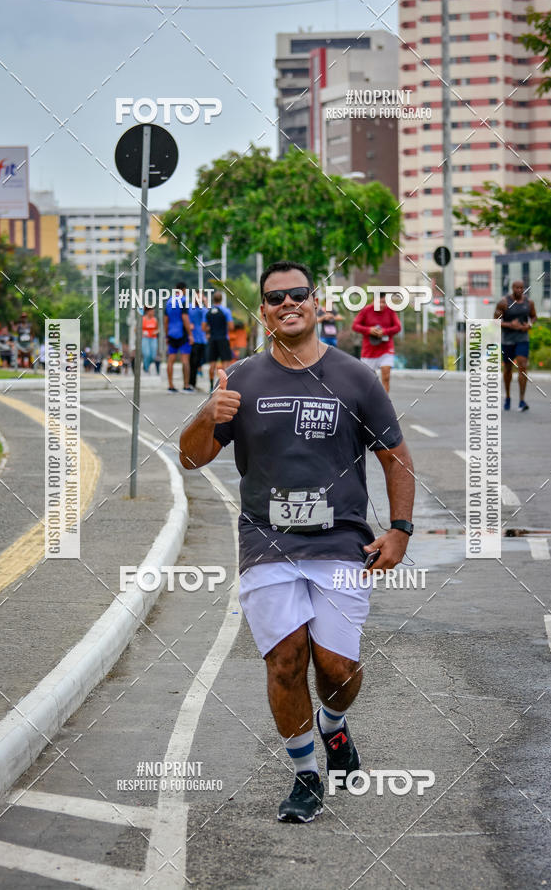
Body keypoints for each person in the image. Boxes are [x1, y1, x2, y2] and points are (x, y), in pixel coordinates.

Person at [180, 260, 414, 824]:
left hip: (341, 541)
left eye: (298, 294)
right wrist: (207, 414)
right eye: (275, 297)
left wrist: (400, 530)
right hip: (266, 541)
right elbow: (190, 458)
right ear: (263, 312)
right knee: (286, 661)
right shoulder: (239, 380)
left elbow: (395, 458)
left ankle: (334, 726)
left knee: (336, 667)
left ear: (316, 303)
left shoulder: (356, 377)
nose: (288, 303)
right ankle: (306, 774)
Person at [494, 280, 537, 412]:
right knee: (508, 369)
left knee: (523, 366)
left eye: (521, 288)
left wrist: (529, 325)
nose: (519, 290)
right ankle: (507, 397)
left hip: (522, 339)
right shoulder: (503, 302)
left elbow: (534, 317)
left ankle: (522, 400)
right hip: (507, 340)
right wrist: (509, 325)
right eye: (517, 288)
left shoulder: (529, 303)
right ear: (512, 288)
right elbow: (495, 321)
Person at [351, 291, 401, 394]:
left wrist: (385, 331)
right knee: (370, 379)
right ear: (373, 301)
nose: (382, 305)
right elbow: (355, 326)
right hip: (369, 351)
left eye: (384, 302)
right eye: (379, 302)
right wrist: (369, 330)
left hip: (386, 349)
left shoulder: (390, 311)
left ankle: (385, 401)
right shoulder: (366, 310)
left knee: (386, 376)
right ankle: (373, 399)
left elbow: (398, 327)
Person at [164, 282, 194, 392]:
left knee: (171, 360)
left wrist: (167, 335)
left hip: (171, 333)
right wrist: (190, 334)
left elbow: (165, 321)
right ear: (184, 290)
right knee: (185, 360)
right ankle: (186, 385)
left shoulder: (169, 302)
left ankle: (170, 385)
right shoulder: (184, 301)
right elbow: (185, 318)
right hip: (182, 333)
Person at [203, 290, 234, 391]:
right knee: (225, 364)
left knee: (212, 364)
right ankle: (225, 386)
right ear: (221, 299)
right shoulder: (225, 311)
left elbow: (203, 327)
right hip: (223, 339)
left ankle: (211, 386)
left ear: (213, 299)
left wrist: (211, 329)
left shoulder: (208, 312)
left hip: (212, 339)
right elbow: (231, 327)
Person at [188, 291, 208, 390]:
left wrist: (206, 302)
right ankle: (191, 383)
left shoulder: (203, 310)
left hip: (202, 340)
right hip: (192, 339)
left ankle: (193, 383)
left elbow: (209, 316)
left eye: (201, 297)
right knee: (193, 362)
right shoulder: (188, 308)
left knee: (199, 362)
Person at [142, 306, 159, 373]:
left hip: (153, 338)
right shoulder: (143, 319)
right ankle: (146, 368)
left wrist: (155, 332)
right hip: (145, 338)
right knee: (147, 354)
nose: (153, 313)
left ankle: (146, 364)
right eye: (152, 311)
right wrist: (143, 333)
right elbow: (136, 329)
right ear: (147, 311)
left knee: (153, 356)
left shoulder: (154, 320)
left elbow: (158, 329)